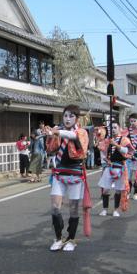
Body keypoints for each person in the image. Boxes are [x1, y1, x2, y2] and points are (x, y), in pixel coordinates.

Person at [45, 105, 90, 252]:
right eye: (65, 116)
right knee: (55, 208)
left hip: (75, 176)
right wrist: (51, 135)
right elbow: (51, 149)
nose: (67, 119)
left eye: (71, 116)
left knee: (73, 209)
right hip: (59, 174)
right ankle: (58, 238)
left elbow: (73, 136)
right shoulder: (58, 131)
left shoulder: (81, 132)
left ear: (77, 118)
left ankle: (71, 239)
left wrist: (57, 131)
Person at [98, 122, 133, 217]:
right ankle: (104, 209)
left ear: (119, 128)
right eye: (111, 128)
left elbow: (127, 151)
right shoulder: (108, 140)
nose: (113, 129)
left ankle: (116, 210)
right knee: (105, 190)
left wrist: (116, 145)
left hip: (120, 167)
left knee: (118, 190)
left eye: (115, 127)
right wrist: (106, 158)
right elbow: (104, 152)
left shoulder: (124, 139)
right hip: (109, 167)